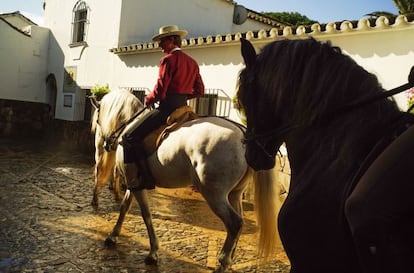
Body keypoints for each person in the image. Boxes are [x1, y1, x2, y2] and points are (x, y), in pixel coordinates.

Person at [121, 25, 205, 191]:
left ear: (172, 40)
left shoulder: (167, 60)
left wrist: (148, 98)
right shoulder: (192, 62)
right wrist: (182, 97)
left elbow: (160, 90)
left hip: (167, 109)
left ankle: (144, 178)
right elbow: (200, 90)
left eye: (162, 41)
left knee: (129, 137)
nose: (159, 45)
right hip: (184, 109)